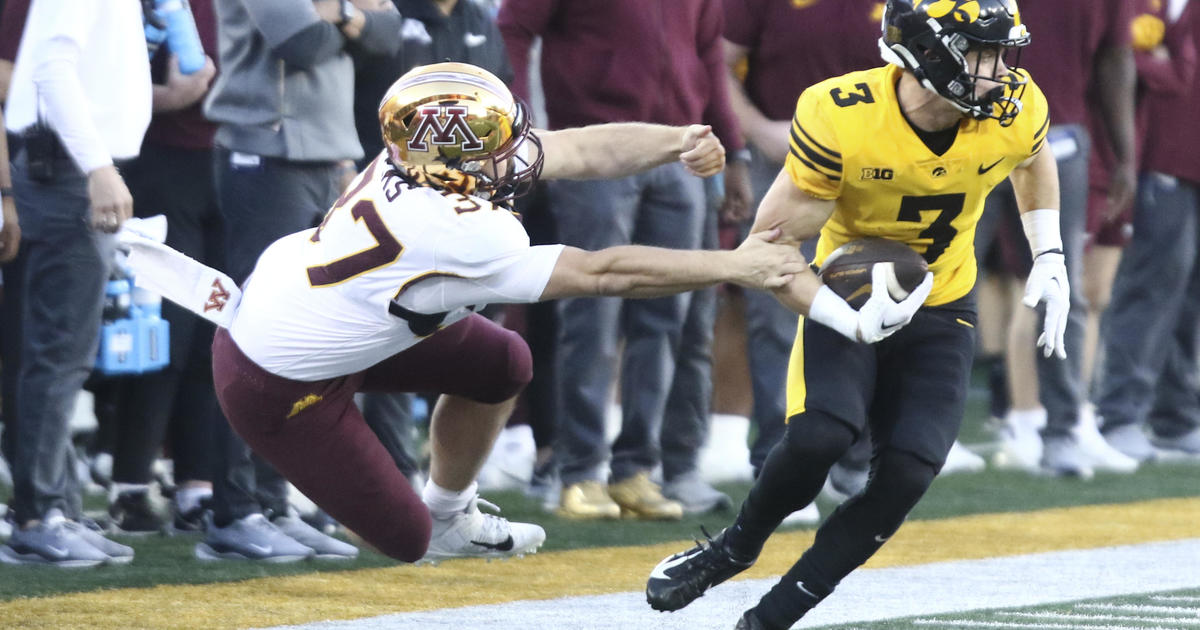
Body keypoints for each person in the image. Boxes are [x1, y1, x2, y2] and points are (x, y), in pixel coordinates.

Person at [122, 62, 923, 562]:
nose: (513, 155)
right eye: (492, 147)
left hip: (338, 314)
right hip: (276, 377)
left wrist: (677, 138)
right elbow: (604, 272)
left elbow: (576, 148)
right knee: (401, 544)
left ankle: (452, 510)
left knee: (502, 362)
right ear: (450, 161)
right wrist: (736, 265)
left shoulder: (432, 170)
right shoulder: (455, 225)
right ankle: (416, 521)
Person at [645, 2, 1066, 628]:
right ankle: (732, 550)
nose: (1002, 71)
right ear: (929, 56)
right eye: (982, 53)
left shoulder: (1013, 106)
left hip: (943, 301)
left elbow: (1033, 160)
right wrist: (851, 323)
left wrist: (1049, 250)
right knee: (820, 436)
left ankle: (772, 616)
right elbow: (768, 254)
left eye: (1002, 53)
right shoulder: (844, 117)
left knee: (908, 471)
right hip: (849, 294)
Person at [499, 0, 755, 521]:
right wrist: (517, 124)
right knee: (591, 314)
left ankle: (637, 468)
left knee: (668, 316)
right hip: (594, 147)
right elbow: (513, 27)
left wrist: (732, 149)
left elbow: (708, 56)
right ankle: (579, 471)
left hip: (682, 150)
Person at [198, 0, 404, 561]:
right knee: (250, 333)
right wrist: (351, 15)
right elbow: (303, 44)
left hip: (328, 160)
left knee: (300, 341)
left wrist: (334, 12)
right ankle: (232, 512)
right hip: (265, 155)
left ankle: (274, 503)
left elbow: (390, 33)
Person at [1, 0, 149, 566]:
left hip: (61, 166)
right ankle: (38, 515)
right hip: (66, 169)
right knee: (58, 353)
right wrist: (96, 166)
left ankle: (54, 504)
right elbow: (52, 69)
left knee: (57, 352)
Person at [104, 0, 220, 536]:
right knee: (163, 334)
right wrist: (167, 96)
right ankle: (130, 484)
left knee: (212, 333)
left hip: (227, 162)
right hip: (157, 162)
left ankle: (197, 485)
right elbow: (92, 78)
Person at [1097, 0, 1200, 459]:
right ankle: (1119, 414)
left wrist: (1160, 67)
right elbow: (1110, 59)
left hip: (1188, 161)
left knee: (1187, 298)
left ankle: (1175, 416)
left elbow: (1180, 73)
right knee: (1149, 291)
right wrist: (1162, 66)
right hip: (1155, 162)